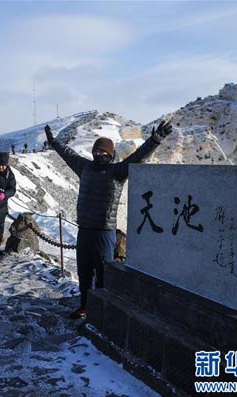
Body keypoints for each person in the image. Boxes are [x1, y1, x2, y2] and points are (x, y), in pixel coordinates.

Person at [44, 120, 173, 319]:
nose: (100, 155)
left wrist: (155, 140)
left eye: (104, 153)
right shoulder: (84, 167)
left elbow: (138, 157)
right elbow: (68, 155)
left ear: (111, 155)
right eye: (97, 152)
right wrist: (54, 142)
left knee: (104, 274)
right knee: (84, 273)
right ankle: (85, 306)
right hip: (84, 229)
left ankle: (104, 310)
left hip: (104, 231)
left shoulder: (117, 172)